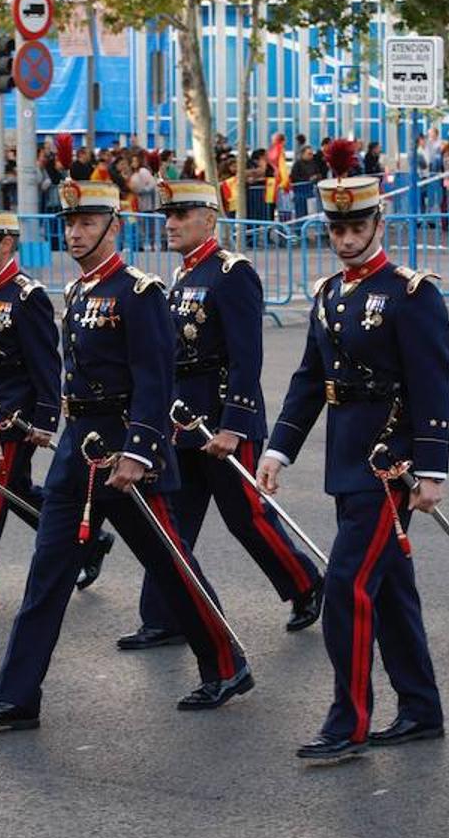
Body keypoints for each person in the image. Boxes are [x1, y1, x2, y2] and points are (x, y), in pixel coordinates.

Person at [0, 179, 254, 731]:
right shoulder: (77, 292)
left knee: (172, 565)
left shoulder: (137, 292)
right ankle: (16, 696)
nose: (75, 233)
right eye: (69, 224)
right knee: (46, 575)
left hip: (126, 454)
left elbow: (154, 377)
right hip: (79, 455)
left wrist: (140, 451)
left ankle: (226, 661)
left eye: (88, 224)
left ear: (113, 228)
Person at [257, 140, 449, 764]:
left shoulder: (410, 293)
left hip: (387, 468)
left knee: (345, 588)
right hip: (347, 464)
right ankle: (420, 707)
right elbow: (311, 381)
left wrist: (431, 470)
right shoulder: (329, 294)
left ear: (378, 225)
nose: (344, 238)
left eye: (355, 226)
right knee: (390, 591)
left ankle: (350, 719)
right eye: (336, 227)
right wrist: (279, 450)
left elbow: (433, 382)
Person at [114, 179, 325, 652]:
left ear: (208, 219)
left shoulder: (231, 273)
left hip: (222, 418)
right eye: (167, 216)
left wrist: (234, 423)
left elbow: (245, 357)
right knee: (171, 523)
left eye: (181, 216)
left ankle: (305, 583)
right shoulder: (182, 277)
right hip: (182, 420)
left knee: (246, 517)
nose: (169, 224)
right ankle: (166, 615)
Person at [0, 211, 115, 609]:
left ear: (5, 244)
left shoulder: (27, 296)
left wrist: (43, 419)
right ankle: (90, 540)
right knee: (13, 490)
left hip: (13, 413)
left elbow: (46, 363)